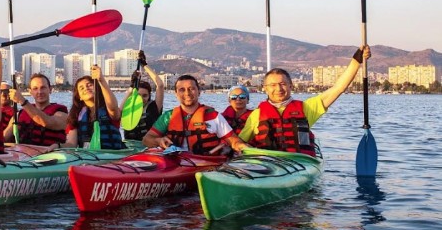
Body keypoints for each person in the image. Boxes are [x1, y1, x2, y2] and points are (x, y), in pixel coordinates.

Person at [232, 45, 371, 156]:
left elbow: (338, 88)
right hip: (267, 163)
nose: (279, 89)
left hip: (299, 163)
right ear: (265, 89)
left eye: (283, 84)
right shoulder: (256, 115)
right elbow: (240, 142)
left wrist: (356, 60)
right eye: (273, 85)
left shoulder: (307, 108)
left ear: (291, 85)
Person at [143, 75, 240, 155]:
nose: (187, 93)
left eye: (191, 89)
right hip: (174, 164)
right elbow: (147, 140)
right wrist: (159, 141)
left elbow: (234, 141)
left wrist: (244, 148)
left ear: (199, 92)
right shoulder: (168, 117)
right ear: (176, 94)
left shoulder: (213, 116)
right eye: (182, 90)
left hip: (207, 163)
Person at [64, 65, 125, 150]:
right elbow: (71, 143)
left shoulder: (109, 109)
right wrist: (57, 146)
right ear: (79, 97)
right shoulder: (76, 116)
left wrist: (101, 79)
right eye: (81, 88)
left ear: (97, 88)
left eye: (89, 85)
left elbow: (113, 108)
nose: (86, 88)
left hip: (112, 155)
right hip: (89, 157)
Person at [4, 73, 68, 149]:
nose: (39, 92)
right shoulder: (19, 115)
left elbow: (46, 122)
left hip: (50, 156)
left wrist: (22, 101)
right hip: (24, 156)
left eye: (43, 88)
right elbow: (4, 137)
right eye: (35, 88)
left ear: (50, 90)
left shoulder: (61, 114)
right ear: (30, 92)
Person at [122, 52, 165, 141]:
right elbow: (117, 113)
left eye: (145, 95)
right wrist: (132, 85)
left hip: (149, 147)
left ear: (149, 96)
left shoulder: (154, 107)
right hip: (131, 147)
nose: (141, 99)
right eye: (138, 95)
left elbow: (160, 85)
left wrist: (144, 64)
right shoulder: (127, 107)